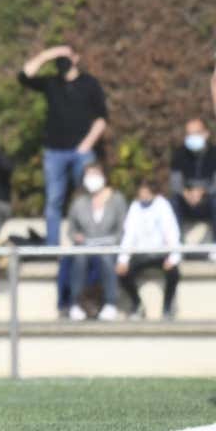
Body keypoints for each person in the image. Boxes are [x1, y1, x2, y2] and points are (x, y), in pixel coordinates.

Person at [19, 45, 108, 311]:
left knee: (87, 198)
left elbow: (102, 117)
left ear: (77, 58)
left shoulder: (89, 83)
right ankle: (51, 248)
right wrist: (47, 54)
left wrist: (86, 144)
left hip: (81, 151)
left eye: (66, 57)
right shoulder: (51, 83)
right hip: (54, 152)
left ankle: (93, 238)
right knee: (54, 200)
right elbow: (24, 75)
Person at [65, 163, 125, 322]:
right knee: (79, 259)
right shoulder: (79, 202)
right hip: (86, 246)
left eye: (95, 174)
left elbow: (122, 229)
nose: (91, 178)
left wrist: (111, 242)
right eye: (88, 174)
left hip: (110, 246)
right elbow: (71, 230)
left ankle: (111, 303)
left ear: (104, 176)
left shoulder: (116, 199)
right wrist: (76, 236)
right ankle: (76, 303)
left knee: (106, 259)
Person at [117, 179, 182, 320]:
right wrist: (123, 260)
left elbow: (172, 232)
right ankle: (137, 304)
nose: (143, 195)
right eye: (141, 192)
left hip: (160, 254)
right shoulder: (135, 207)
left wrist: (173, 257)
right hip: (141, 255)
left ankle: (167, 307)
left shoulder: (163, 205)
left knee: (174, 274)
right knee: (122, 274)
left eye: (146, 192)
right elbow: (129, 235)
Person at [168, 118, 216, 246]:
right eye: (189, 134)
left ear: (206, 133)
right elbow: (175, 182)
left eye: (196, 133)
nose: (192, 137)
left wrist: (202, 192)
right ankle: (176, 245)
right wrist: (186, 194)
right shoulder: (179, 154)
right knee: (172, 203)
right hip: (186, 199)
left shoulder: (213, 153)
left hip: (208, 198)